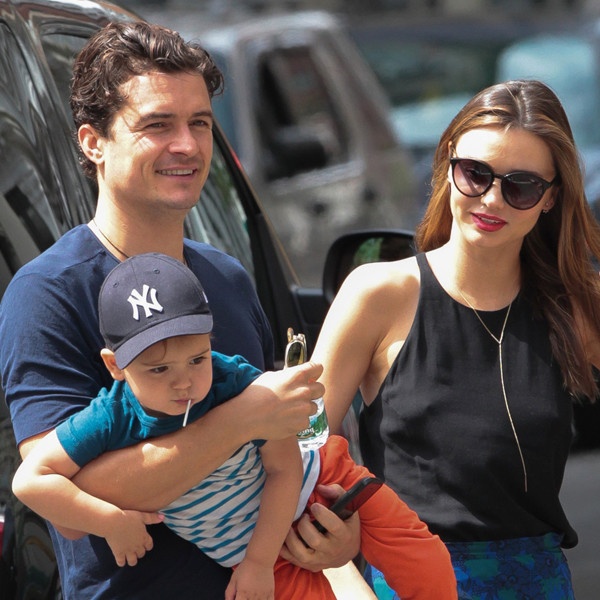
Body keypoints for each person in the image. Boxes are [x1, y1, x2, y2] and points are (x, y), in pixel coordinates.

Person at [0, 21, 361, 599]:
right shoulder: (47, 293)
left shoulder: (227, 276)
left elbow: (276, 453)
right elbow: (66, 506)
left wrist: (334, 536)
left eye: (200, 123)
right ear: (93, 142)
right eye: (157, 125)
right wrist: (241, 419)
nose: (188, 145)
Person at [13, 252, 457, 600]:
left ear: (211, 340)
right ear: (115, 366)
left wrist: (258, 563)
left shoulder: (233, 378)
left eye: (197, 358)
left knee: (430, 564)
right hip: (264, 553)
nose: (184, 381)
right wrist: (110, 521)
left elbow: (284, 468)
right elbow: (30, 481)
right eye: (158, 369)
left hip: (324, 481)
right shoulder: (109, 418)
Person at [311, 79, 600, 599]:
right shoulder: (380, 293)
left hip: (536, 583)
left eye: (521, 186)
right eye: (475, 173)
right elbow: (301, 452)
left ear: (551, 198)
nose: (492, 199)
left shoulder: (573, 306)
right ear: (448, 166)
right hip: (408, 581)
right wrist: (345, 582)